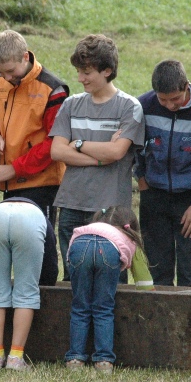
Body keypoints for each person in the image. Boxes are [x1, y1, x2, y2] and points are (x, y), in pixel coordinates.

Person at [50, 34, 146, 274]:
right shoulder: (71, 105)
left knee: (111, 278)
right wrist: (100, 158)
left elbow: (116, 151)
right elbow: (57, 151)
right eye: (78, 72)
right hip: (71, 204)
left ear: (107, 71)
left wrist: (78, 143)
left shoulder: (129, 107)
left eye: (87, 72)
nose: (80, 78)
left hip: (110, 210)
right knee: (73, 277)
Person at [135, 60, 191, 286]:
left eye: (175, 99)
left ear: (186, 86)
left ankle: (190, 310)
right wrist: (141, 180)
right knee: (156, 268)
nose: (170, 105)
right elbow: (134, 148)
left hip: (190, 200)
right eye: (163, 100)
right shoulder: (144, 105)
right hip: (153, 195)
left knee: (190, 269)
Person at [0, 30, 68, 224]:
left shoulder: (52, 89)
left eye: (10, 71)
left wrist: (14, 169)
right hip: (9, 181)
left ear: (25, 57)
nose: (6, 77)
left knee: (39, 238)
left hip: (42, 183)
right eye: (1, 71)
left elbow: (55, 142)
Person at [65, 206, 153, 373]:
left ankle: (75, 359)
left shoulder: (88, 228)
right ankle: (103, 360)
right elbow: (143, 279)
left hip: (79, 245)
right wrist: (151, 292)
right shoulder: (128, 237)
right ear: (130, 225)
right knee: (103, 308)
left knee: (79, 306)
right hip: (108, 250)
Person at [0, 197, 59, 370]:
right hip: (30, 221)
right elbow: (51, 258)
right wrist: (48, 280)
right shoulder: (41, 216)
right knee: (26, 292)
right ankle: (15, 357)